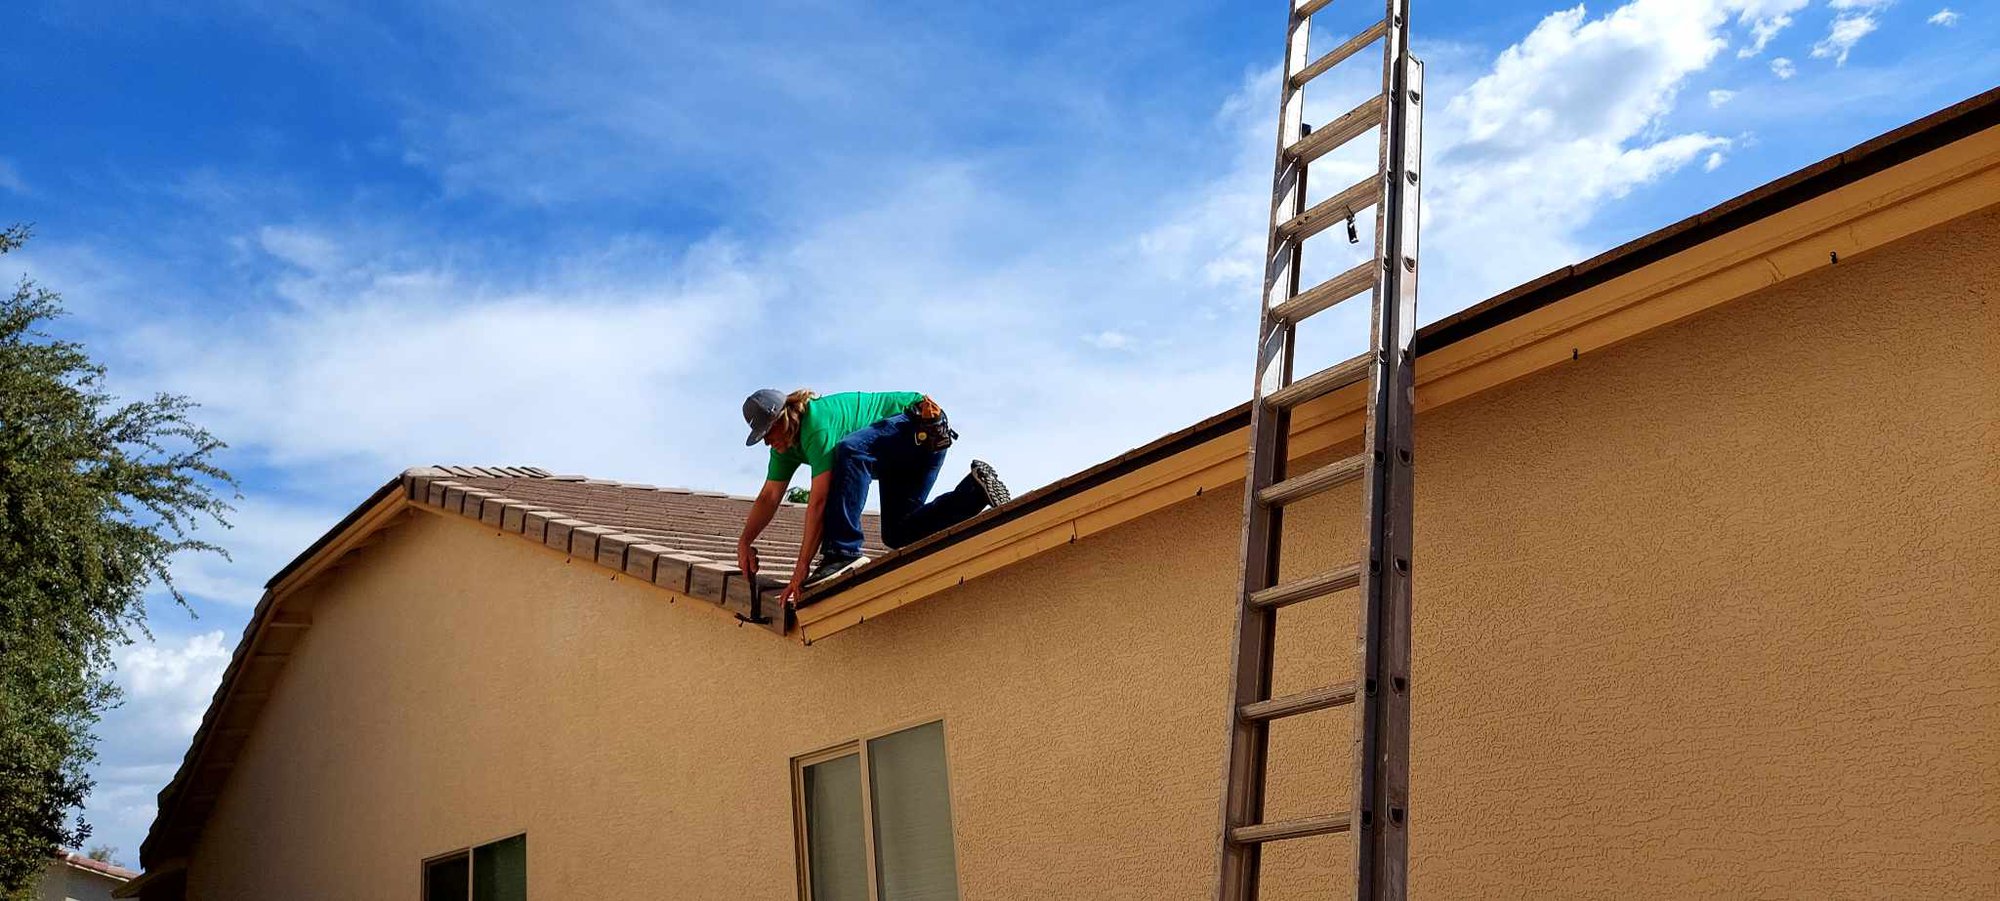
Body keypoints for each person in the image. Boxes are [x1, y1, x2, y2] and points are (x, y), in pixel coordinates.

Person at [737, 389, 1009, 606]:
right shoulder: (784, 448)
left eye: (767, 433)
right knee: (898, 533)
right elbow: (769, 497)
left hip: (919, 425)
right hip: (898, 455)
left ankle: (843, 551)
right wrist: (745, 542)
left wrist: (802, 568)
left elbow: (819, 501)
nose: (767, 442)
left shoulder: (815, 425)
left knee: (850, 450)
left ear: (783, 417)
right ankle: (974, 492)